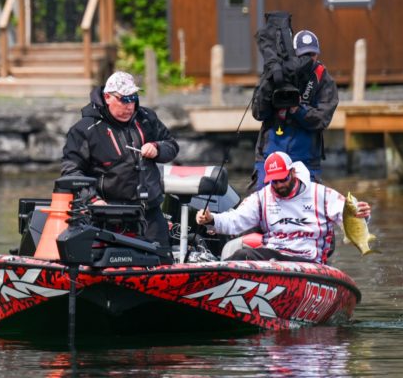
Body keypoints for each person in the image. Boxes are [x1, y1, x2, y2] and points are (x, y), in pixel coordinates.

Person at [61, 71, 179, 247]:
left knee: (162, 259)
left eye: (133, 98)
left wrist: (157, 148)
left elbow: (172, 146)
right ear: (108, 97)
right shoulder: (84, 130)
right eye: (124, 99)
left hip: (150, 213)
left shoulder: (147, 118)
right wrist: (93, 200)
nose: (130, 105)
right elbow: (71, 171)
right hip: (109, 216)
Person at [196, 151, 371, 264]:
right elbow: (235, 220)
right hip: (275, 254)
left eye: (283, 179)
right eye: (274, 181)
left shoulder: (322, 194)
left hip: (308, 260)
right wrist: (211, 219)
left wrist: (361, 214)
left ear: (292, 172)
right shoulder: (261, 197)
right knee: (241, 256)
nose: (279, 185)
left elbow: (351, 217)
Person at [252, 30, 339, 190]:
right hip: (270, 157)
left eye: (312, 54)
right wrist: (270, 82)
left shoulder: (323, 78)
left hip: (306, 159)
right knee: (263, 201)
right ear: (293, 54)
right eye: (303, 55)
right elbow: (258, 113)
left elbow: (322, 120)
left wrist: (297, 109)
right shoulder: (276, 72)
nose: (308, 59)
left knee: (309, 202)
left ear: (317, 54)